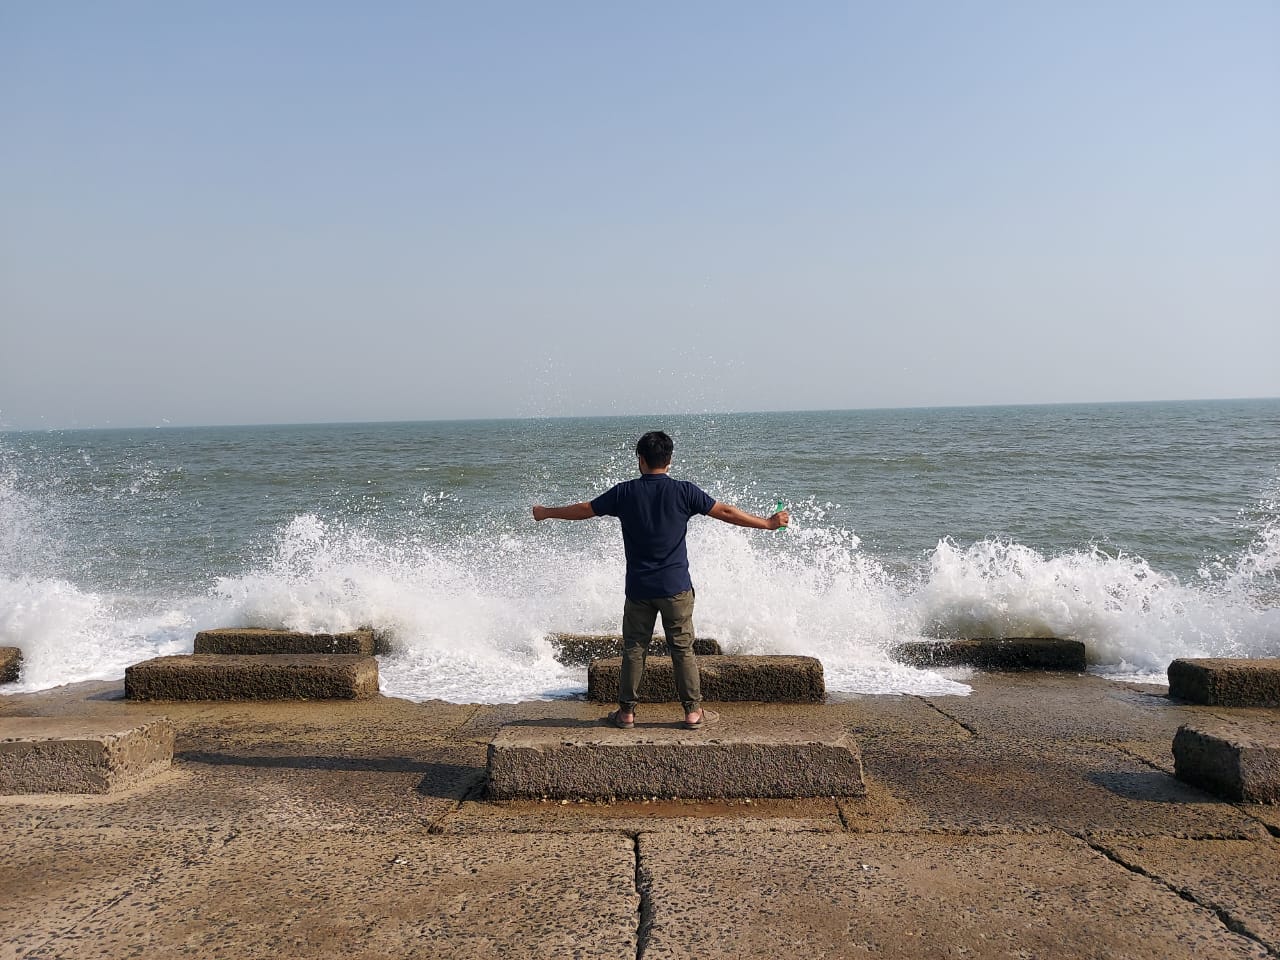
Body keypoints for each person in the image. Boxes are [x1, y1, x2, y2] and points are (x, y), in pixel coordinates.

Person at [532, 430, 789, 731]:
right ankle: (693, 713)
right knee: (682, 649)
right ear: (669, 461)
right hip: (676, 588)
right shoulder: (684, 491)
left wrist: (547, 512)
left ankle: (626, 713)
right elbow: (726, 512)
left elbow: (585, 510)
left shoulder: (624, 493)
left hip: (639, 589)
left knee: (634, 649)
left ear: (641, 460)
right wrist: (768, 523)